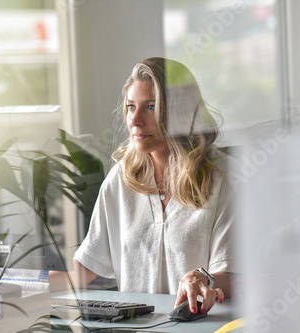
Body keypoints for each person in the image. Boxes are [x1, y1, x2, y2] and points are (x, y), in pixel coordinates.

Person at [50, 57, 235, 315]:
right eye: (130, 106)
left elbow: (234, 272)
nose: (135, 120)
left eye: (150, 107)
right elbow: (82, 273)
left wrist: (202, 278)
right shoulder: (120, 179)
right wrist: (10, 285)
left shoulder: (223, 176)